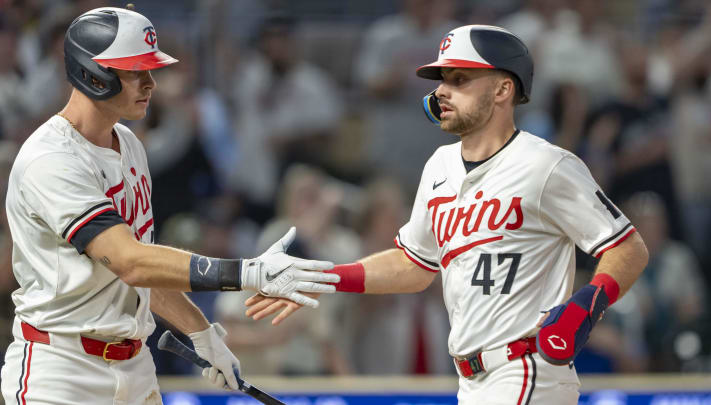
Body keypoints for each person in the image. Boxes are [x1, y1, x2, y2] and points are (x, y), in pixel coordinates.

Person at [246, 25, 649, 404]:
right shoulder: (439, 166)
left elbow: (628, 248)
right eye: (441, 80)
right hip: (470, 379)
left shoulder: (547, 165)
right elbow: (414, 264)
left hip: (526, 369)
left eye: (460, 79)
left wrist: (588, 301)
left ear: (503, 89)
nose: (442, 91)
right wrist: (325, 277)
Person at [0, 7, 338, 405]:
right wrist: (249, 272)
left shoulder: (129, 144)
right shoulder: (51, 158)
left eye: (150, 70)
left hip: (135, 364)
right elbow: (128, 260)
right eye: (135, 71)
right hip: (63, 371)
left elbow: (143, 271)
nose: (150, 83)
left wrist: (202, 332)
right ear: (94, 74)